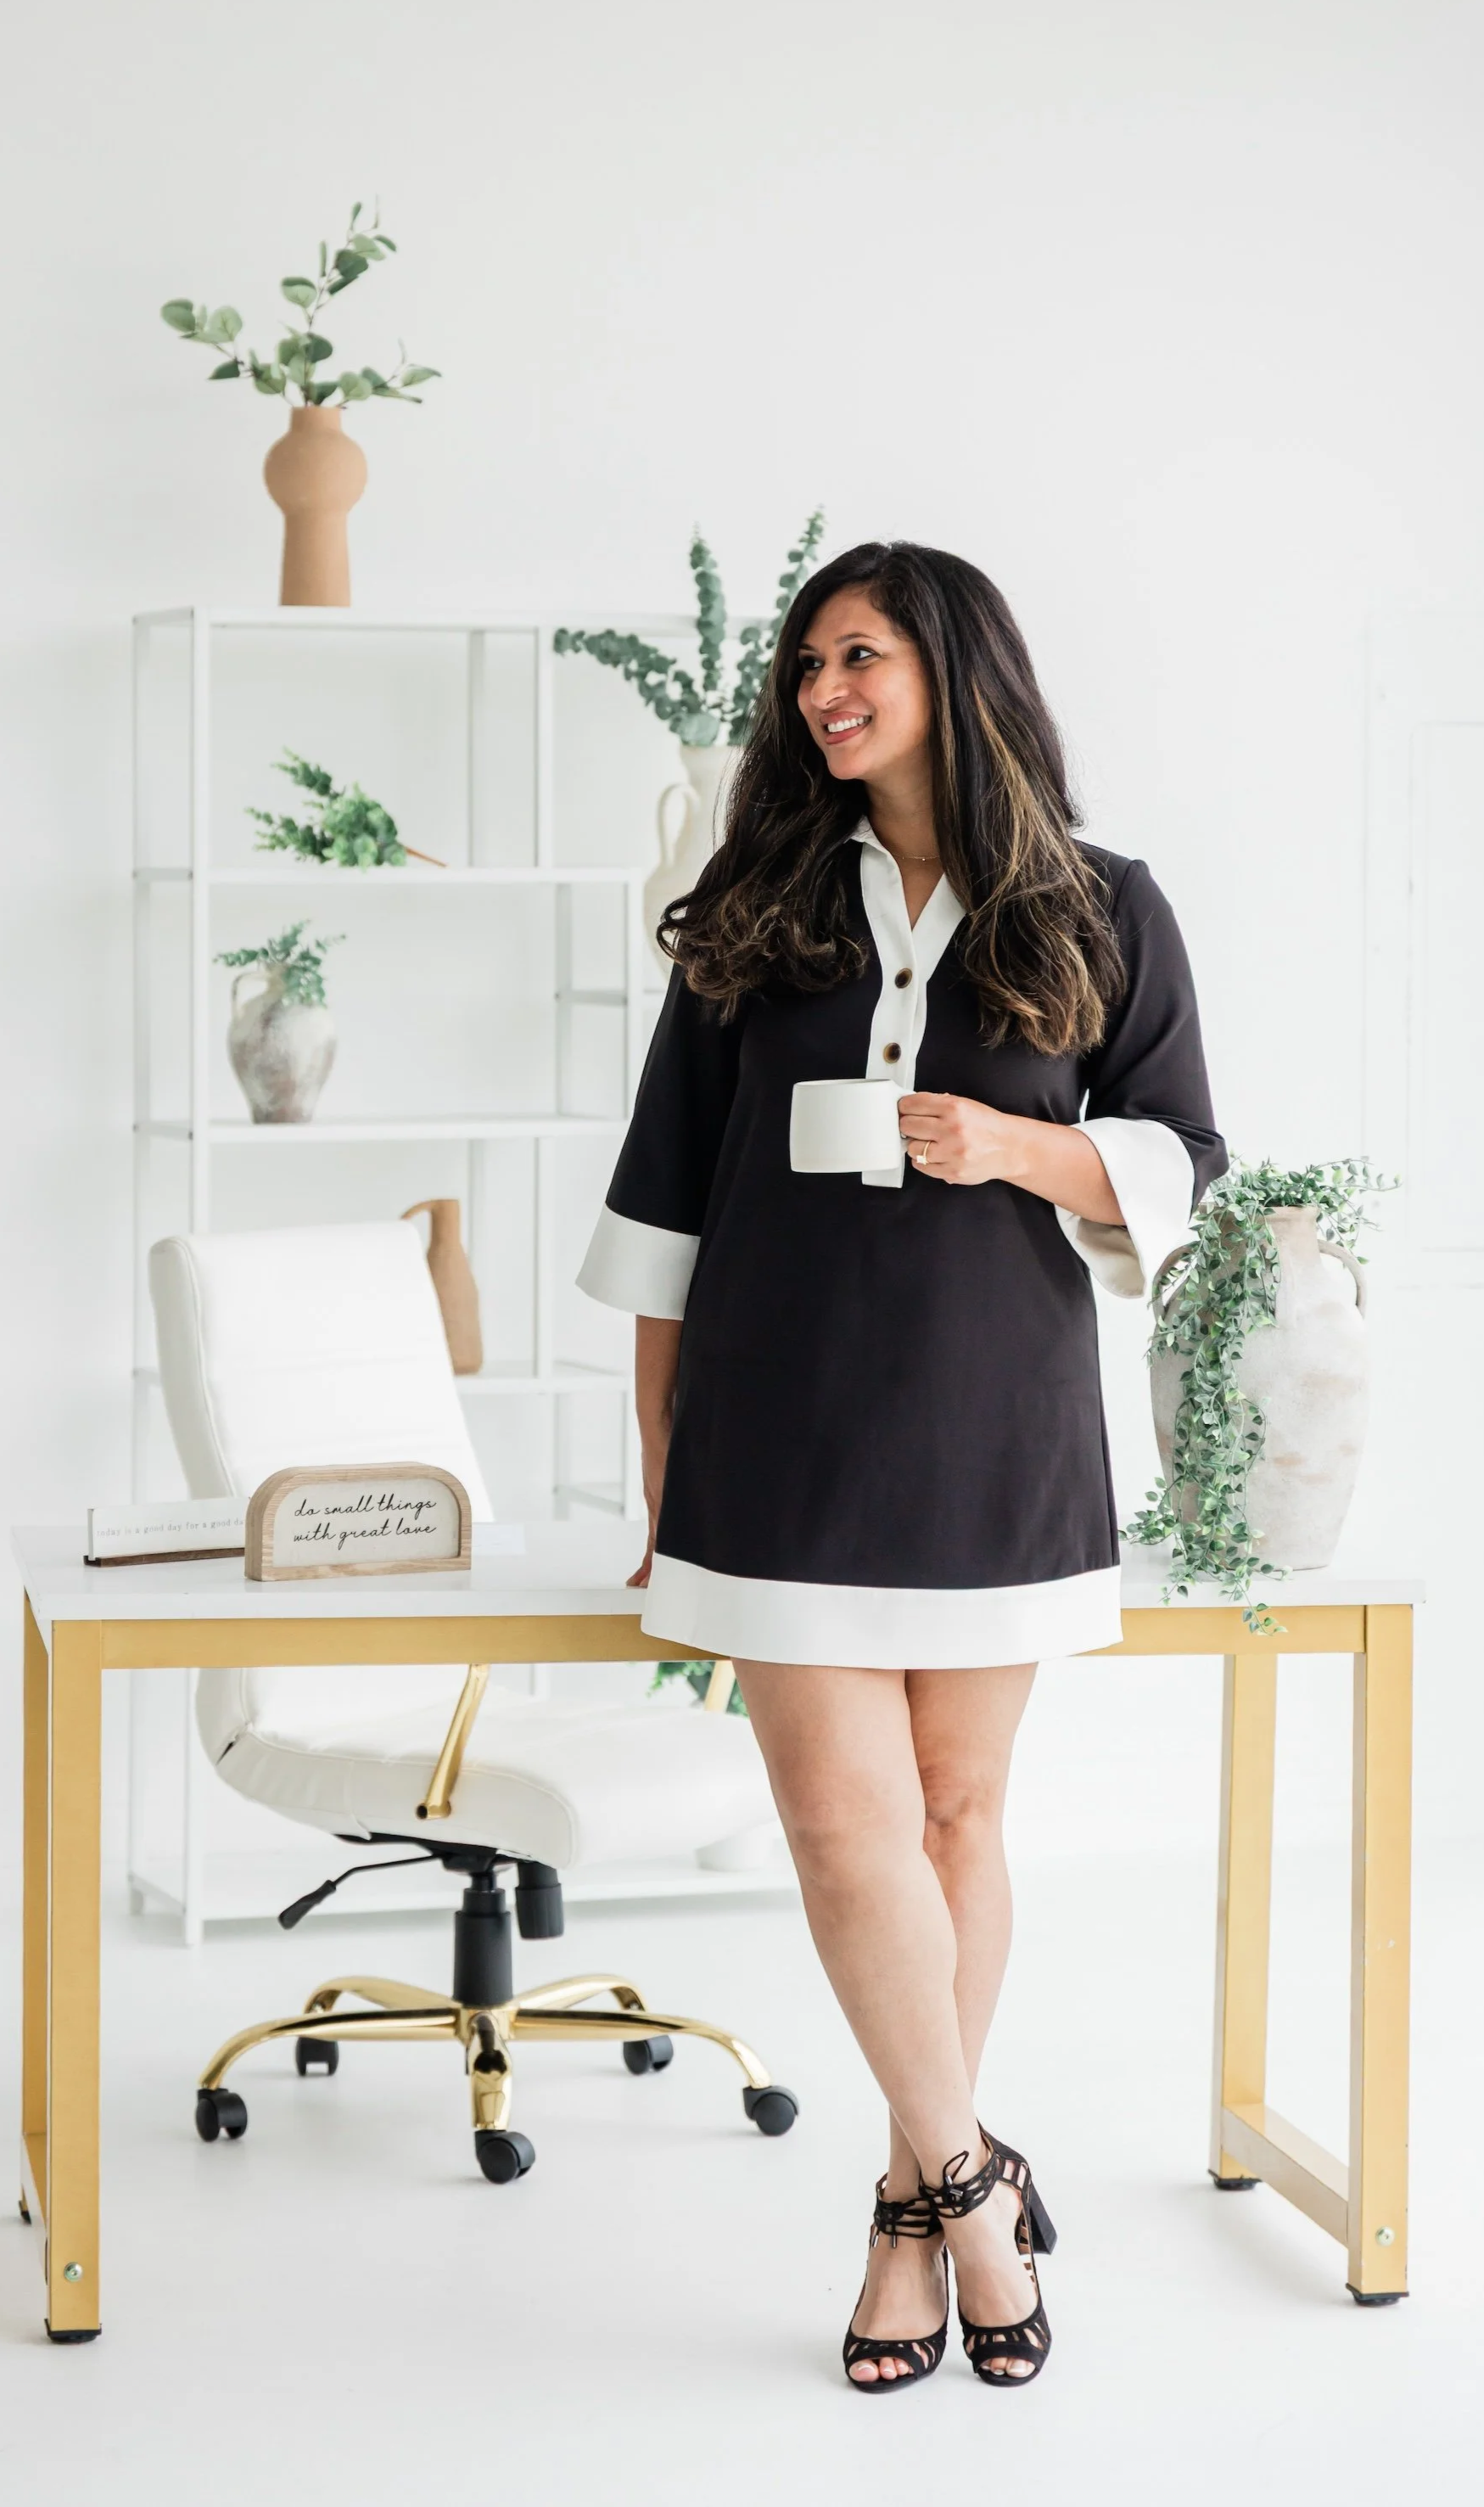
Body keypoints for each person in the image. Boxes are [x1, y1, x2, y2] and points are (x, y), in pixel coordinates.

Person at [577, 541, 1225, 2391]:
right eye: (806, 668)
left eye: (859, 655)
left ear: (952, 666)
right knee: (840, 1823)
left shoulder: (1101, 903)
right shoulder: (755, 905)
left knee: (957, 1820)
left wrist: (1008, 1149)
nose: (824, 691)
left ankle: (900, 2205)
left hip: (996, 1430)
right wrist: (659, 1482)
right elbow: (658, 1229)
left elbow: (1182, 1152)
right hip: (777, 1438)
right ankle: (975, 2188)